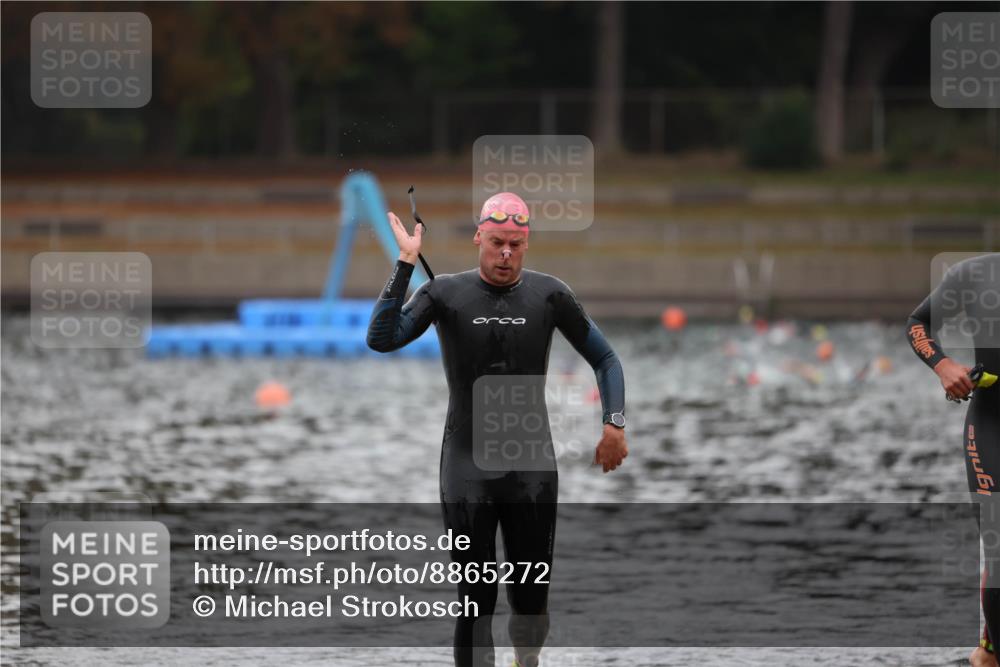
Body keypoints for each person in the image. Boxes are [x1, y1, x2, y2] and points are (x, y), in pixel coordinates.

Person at [367, 192, 628, 667]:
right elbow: (381, 339)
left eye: (514, 244)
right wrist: (406, 262)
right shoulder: (443, 292)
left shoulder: (550, 295)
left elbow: (606, 359)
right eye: (495, 243)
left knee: (530, 603)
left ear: (526, 245)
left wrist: (614, 424)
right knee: (476, 598)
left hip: (531, 471)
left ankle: (525, 662)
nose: (504, 254)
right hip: (466, 467)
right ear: (478, 238)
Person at [906, 253, 999, 667]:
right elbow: (916, 323)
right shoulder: (977, 273)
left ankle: (987, 648)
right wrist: (943, 365)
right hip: (993, 426)